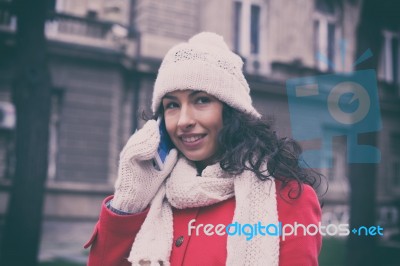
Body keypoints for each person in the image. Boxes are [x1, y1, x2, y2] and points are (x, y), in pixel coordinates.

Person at [84, 32, 323, 266]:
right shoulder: (150, 197)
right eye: (172, 105)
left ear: (231, 110)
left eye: (201, 100)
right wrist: (129, 201)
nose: (183, 120)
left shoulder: (288, 198)